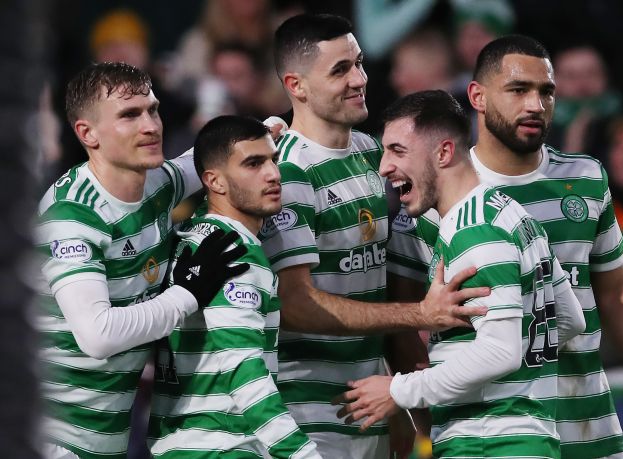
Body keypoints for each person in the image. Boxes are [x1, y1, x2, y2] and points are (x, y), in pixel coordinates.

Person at [261, 13, 490, 458]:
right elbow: (295, 303)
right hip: (309, 416)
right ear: (296, 85)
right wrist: (420, 314)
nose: (359, 79)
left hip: (371, 406)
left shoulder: (371, 154)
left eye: (359, 63)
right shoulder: (288, 172)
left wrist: (401, 397)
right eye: (340, 70)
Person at [335, 89, 586, 458]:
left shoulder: (472, 228)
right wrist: (463, 368)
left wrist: (399, 390)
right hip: (529, 440)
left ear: (443, 153)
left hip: (489, 443)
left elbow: (500, 351)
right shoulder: (512, 214)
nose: (384, 167)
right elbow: (570, 319)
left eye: (397, 151)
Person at [460, 35, 623, 458]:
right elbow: (414, 311)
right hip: (496, 430)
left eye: (546, 92)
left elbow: (616, 291)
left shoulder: (586, 177)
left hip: (590, 423)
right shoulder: (447, 190)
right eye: (518, 90)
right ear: (477, 96)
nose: (536, 105)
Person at [35, 62, 249, 459]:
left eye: (153, 110)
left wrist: (278, 125)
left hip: (108, 439)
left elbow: (214, 156)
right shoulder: (73, 216)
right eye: (129, 115)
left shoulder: (157, 183)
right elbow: (98, 336)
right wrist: (188, 294)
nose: (150, 126)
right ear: (87, 133)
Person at [148, 115, 321, 458]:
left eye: (273, 160)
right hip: (224, 447)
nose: (273, 174)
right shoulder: (234, 253)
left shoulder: (192, 236)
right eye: (253, 164)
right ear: (214, 181)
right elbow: (246, 375)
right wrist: (302, 454)